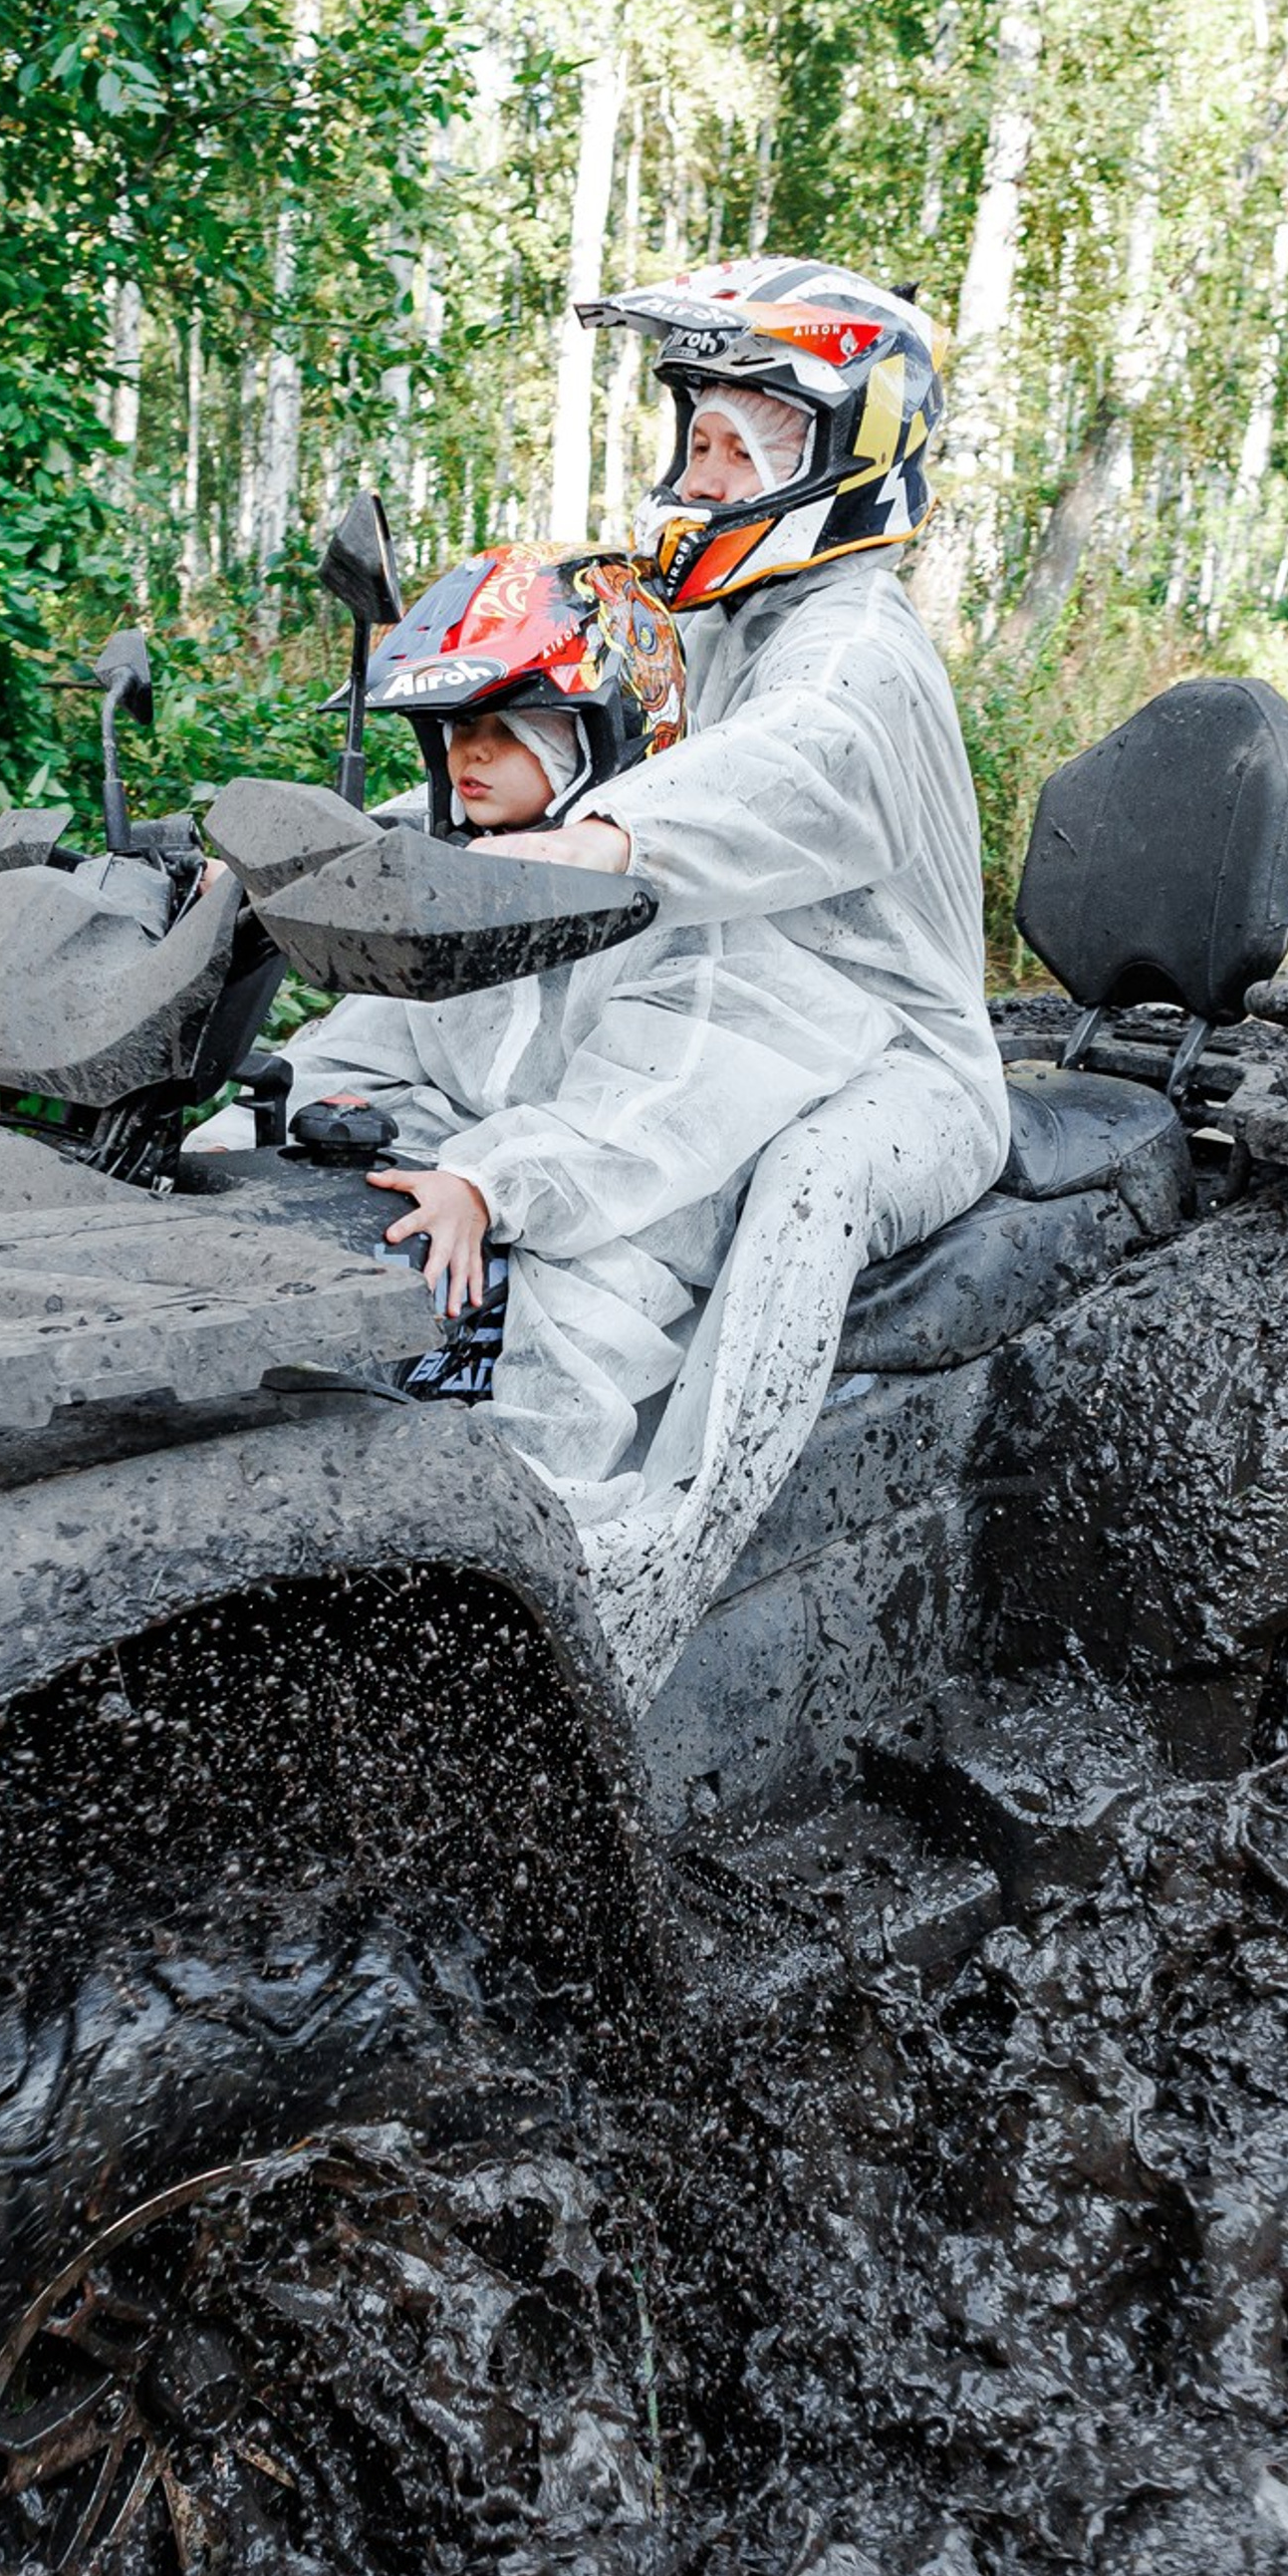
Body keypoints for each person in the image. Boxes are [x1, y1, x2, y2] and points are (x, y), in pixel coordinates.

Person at [466, 258, 1011, 1691]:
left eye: (737, 448)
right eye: (694, 440)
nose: (699, 477)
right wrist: (332, 853)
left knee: (807, 1184)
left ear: (837, 458)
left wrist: (604, 840)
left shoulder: (858, 657)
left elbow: (780, 775)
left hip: (894, 1060)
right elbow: (556, 749)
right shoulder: (704, 625)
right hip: (740, 1019)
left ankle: (648, 1578)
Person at [278, 543, 901, 1487]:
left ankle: (539, 1550)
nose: (469, 754)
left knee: (573, 1355)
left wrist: (487, 1183)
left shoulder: (688, 930)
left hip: (626, 1225)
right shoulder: (477, 889)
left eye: (506, 725)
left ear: (599, 733)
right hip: (522, 1185)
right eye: (454, 727)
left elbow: (644, 1123)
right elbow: (366, 1049)